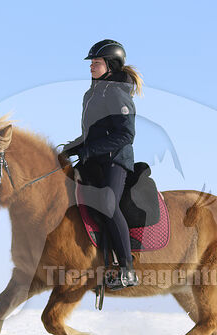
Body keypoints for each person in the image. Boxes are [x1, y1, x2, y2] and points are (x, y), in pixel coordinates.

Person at [58, 39, 143, 289]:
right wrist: (67, 149)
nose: (91, 67)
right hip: (93, 161)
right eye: (92, 63)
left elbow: (126, 135)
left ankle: (127, 269)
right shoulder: (91, 94)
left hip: (115, 161)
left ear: (111, 65)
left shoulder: (117, 93)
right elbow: (90, 135)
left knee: (107, 203)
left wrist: (89, 150)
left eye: (96, 62)